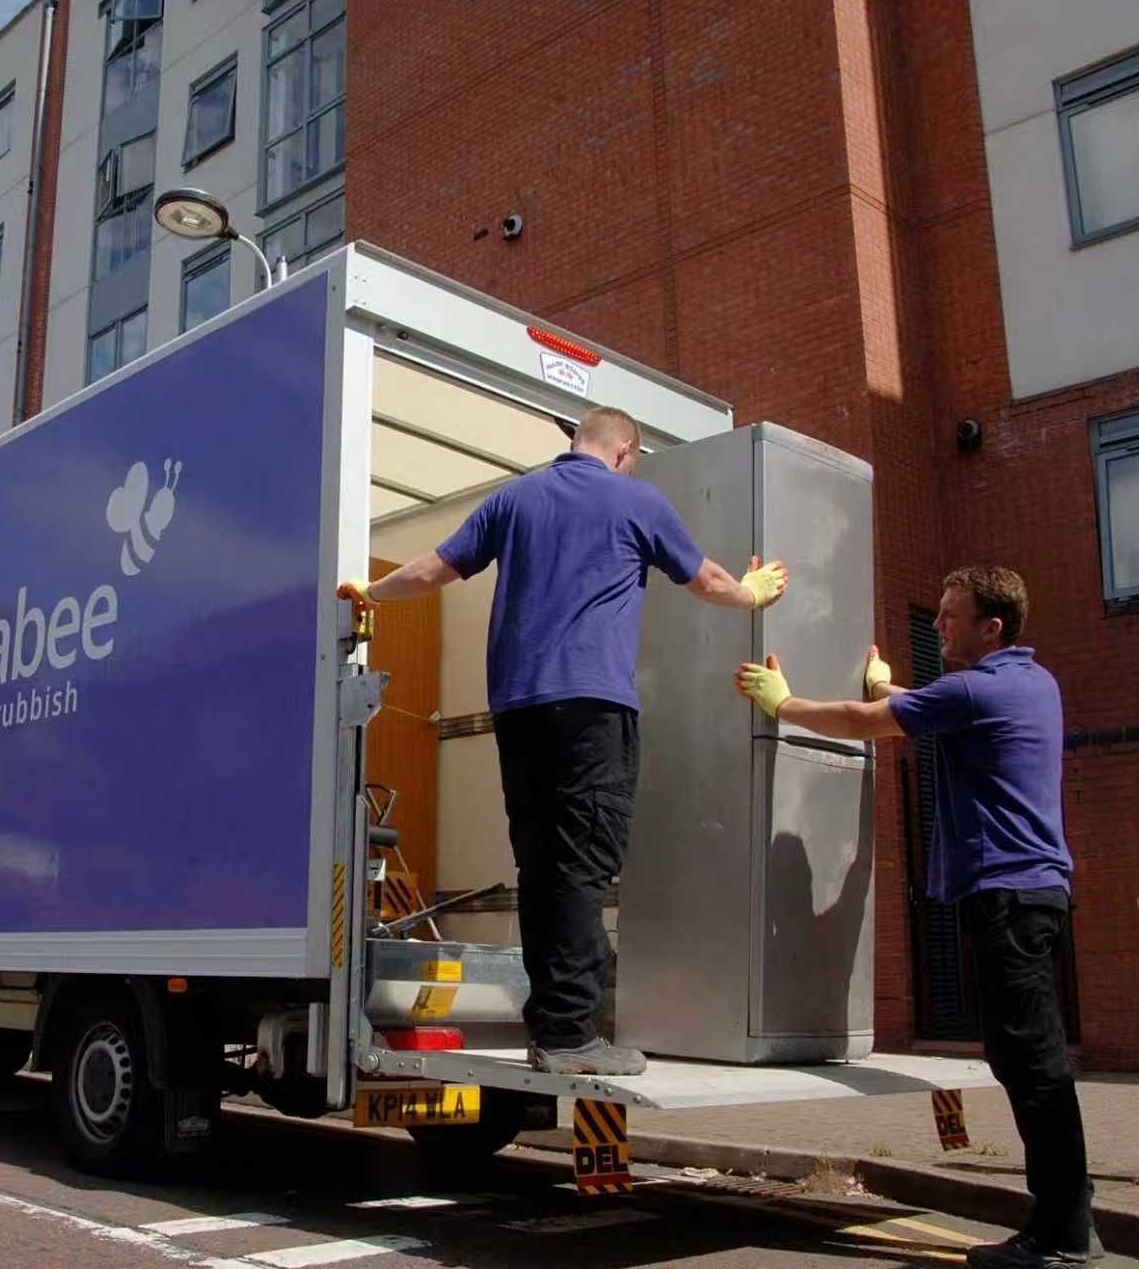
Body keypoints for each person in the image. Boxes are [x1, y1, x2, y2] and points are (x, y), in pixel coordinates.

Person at [339, 406, 789, 1076]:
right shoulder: (636, 498)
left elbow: (435, 569)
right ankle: (571, 1035)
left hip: (518, 711)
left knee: (542, 867)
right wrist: (751, 594)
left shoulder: (514, 498)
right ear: (625, 449)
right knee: (582, 865)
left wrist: (368, 592)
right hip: (591, 709)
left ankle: (552, 1026)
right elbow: (708, 580)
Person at [734, 565, 1095, 1268]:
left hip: (1008, 896)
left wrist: (785, 705)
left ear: (991, 627)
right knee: (1022, 1061)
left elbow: (869, 725)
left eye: (950, 616)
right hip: (1032, 896)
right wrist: (889, 687)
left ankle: (1063, 1238)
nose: (937, 626)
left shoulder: (974, 689)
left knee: (1036, 1067)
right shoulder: (1029, 682)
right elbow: (931, 708)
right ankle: (1063, 1223)